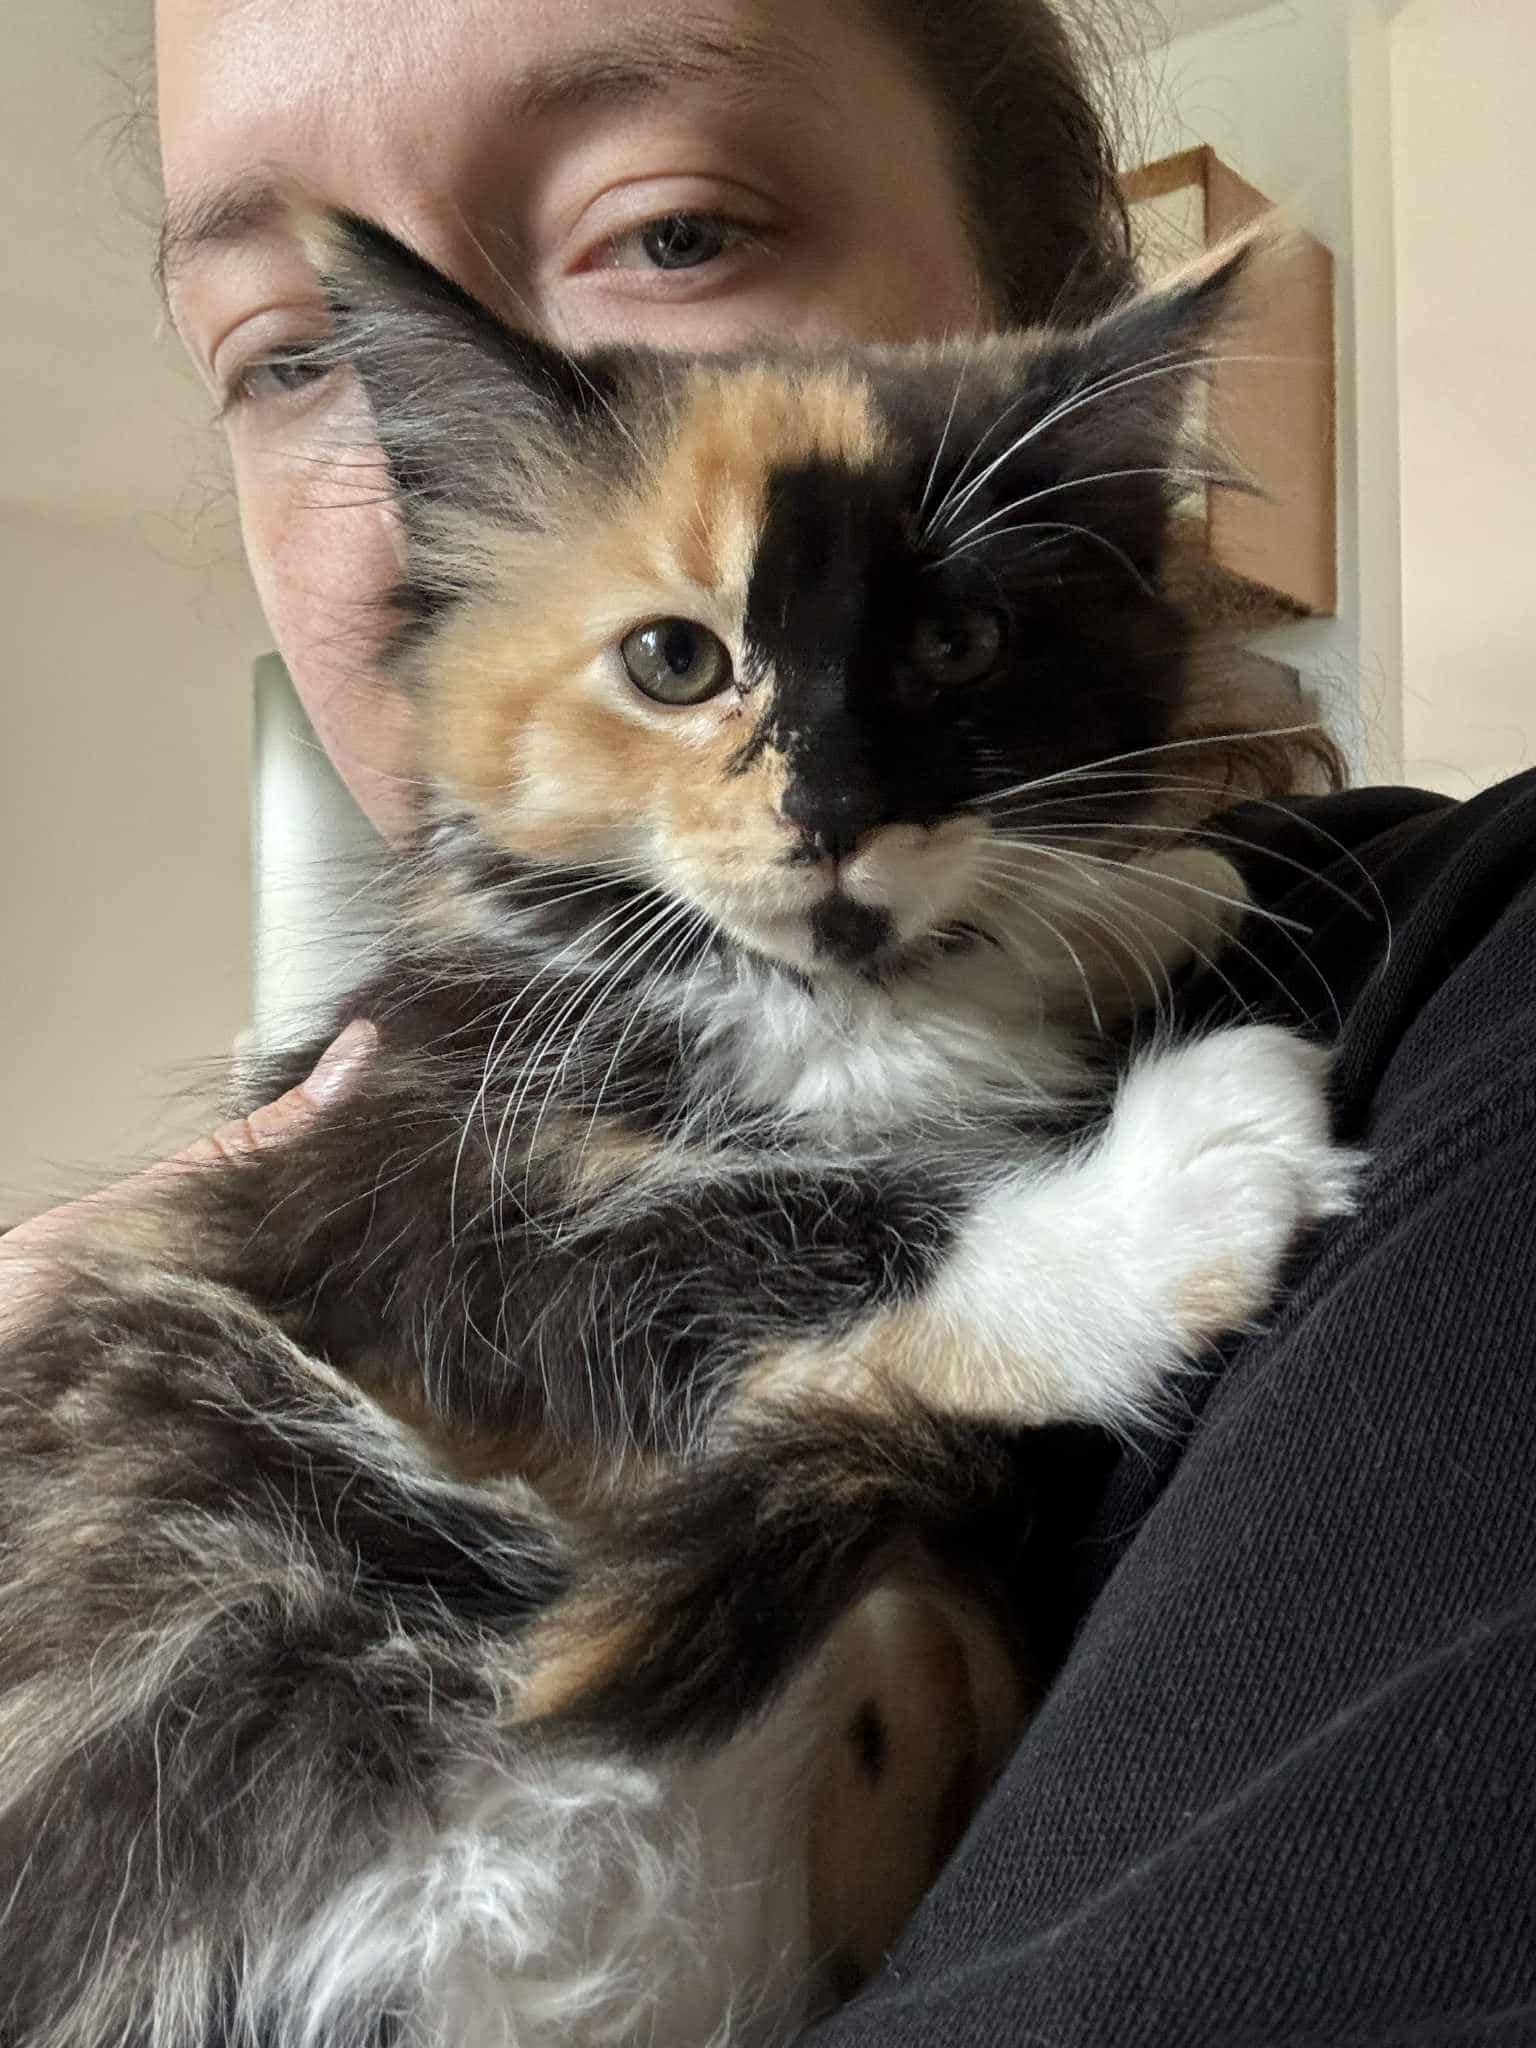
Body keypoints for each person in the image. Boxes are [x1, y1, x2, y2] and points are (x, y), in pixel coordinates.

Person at [15, 1, 1536, 2039]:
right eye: (292, 351)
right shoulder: (455, 1076)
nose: (426, 485)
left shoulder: (1468, 1006)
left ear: (1039, 310)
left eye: (670, 231)